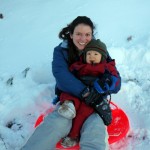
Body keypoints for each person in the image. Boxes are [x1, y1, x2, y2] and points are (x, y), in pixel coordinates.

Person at [21, 16, 121, 150]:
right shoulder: (61, 51)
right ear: (71, 34)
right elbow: (61, 76)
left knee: (94, 130)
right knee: (57, 123)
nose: (83, 39)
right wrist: (85, 93)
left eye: (87, 34)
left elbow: (115, 79)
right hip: (70, 101)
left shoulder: (98, 49)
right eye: (78, 34)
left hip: (95, 104)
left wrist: (108, 82)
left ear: (92, 35)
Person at [58, 39, 119, 147]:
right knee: (67, 95)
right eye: (89, 54)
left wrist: (108, 81)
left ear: (102, 57)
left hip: (93, 97)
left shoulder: (106, 67)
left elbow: (115, 79)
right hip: (78, 92)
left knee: (83, 112)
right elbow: (68, 77)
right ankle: (68, 106)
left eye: (96, 54)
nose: (92, 56)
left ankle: (73, 136)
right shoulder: (79, 65)